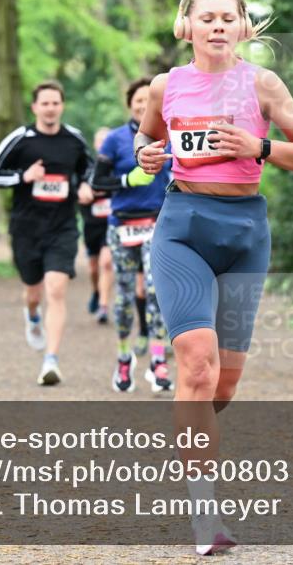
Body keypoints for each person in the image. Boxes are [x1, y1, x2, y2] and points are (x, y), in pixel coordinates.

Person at [135, 0, 293, 555]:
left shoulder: (262, 84)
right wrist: (147, 159)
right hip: (182, 225)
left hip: (245, 233)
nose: (217, 26)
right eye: (206, 17)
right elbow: (147, 148)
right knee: (195, 365)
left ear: (244, 27)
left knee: (220, 387)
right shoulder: (164, 86)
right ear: (185, 26)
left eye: (228, 18)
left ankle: (191, 419)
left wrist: (258, 148)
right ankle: (204, 515)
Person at [0, 80, 93, 386]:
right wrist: (23, 176)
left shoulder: (73, 139)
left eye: (55, 102)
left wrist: (85, 185)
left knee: (56, 289)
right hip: (26, 228)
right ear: (35, 107)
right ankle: (31, 314)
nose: (50, 108)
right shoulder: (21, 138)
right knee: (33, 291)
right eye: (44, 103)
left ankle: (50, 360)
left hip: (63, 227)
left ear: (62, 106)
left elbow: (90, 168)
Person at [90, 77, 174, 394]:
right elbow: (98, 181)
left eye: (147, 100)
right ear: (130, 104)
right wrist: (127, 179)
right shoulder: (114, 140)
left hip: (157, 223)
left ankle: (158, 361)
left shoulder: (170, 137)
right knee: (125, 298)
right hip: (122, 225)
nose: (143, 105)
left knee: (156, 292)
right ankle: (124, 358)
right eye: (138, 100)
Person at [81, 127, 114, 324]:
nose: (103, 144)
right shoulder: (87, 168)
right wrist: (84, 191)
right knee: (93, 268)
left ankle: (103, 306)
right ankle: (96, 291)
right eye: (99, 141)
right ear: (95, 144)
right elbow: (79, 189)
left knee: (106, 263)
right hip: (91, 224)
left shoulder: (117, 167)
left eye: (106, 140)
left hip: (111, 223)